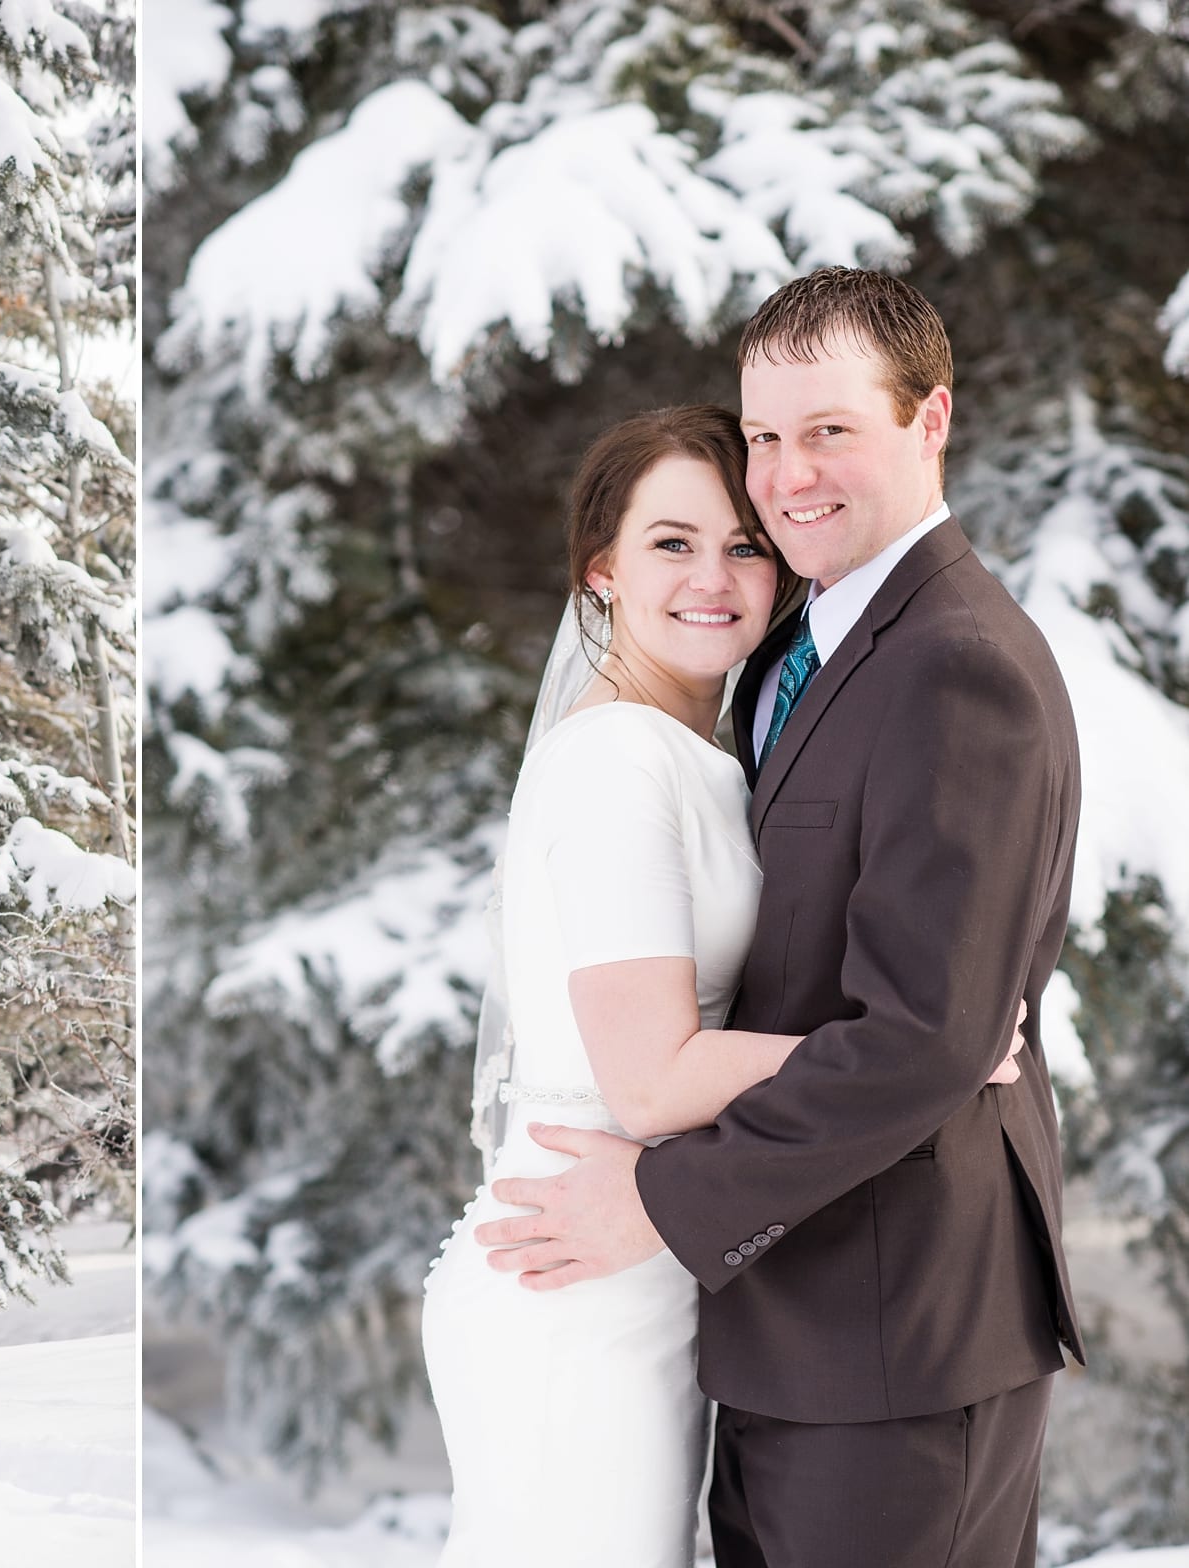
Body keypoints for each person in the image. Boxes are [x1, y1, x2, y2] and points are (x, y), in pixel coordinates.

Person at [471, 268, 1085, 1568]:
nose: (789, 475)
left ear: (928, 423)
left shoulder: (953, 667)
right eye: (765, 437)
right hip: (786, 1319)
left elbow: (928, 1034)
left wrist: (663, 1202)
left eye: (830, 430)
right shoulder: (798, 666)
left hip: (893, 1331)